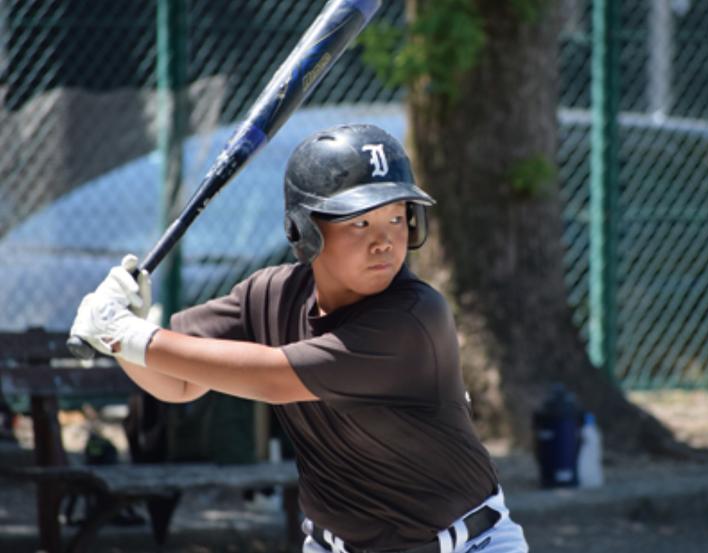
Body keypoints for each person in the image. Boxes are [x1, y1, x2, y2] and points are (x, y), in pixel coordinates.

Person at [71, 123, 529, 553]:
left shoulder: (413, 317)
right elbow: (180, 383)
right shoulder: (271, 295)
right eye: (359, 223)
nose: (384, 241)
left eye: (396, 218)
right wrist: (124, 341)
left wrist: (129, 335)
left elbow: (272, 378)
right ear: (304, 230)